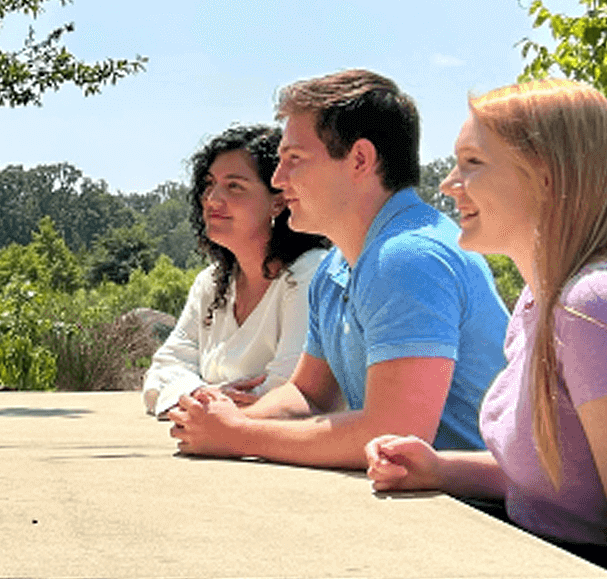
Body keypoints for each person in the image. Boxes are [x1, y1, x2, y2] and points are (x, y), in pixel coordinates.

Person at [366, 80, 607, 579]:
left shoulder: (598, 307)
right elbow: (569, 481)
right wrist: (441, 469)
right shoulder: (539, 302)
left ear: (547, 177)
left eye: (472, 163)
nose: (447, 183)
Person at [170, 69, 508, 468]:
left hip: (489, 518)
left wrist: (238, 434)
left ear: (360, 159)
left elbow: (395, 433)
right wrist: (218, 418)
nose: (279, 180)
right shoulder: (335, 267)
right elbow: (308, 395)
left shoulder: (408, 258)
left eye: (294, 159)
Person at [142, 124, 328, 416]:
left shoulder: (309, 276)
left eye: (234, 186)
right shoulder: (212, 282)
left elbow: (290, 392)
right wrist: (203, 394)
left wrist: (193, 400)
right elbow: (163, 370)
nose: (212, 199)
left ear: (278, 201)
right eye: (209, 184)